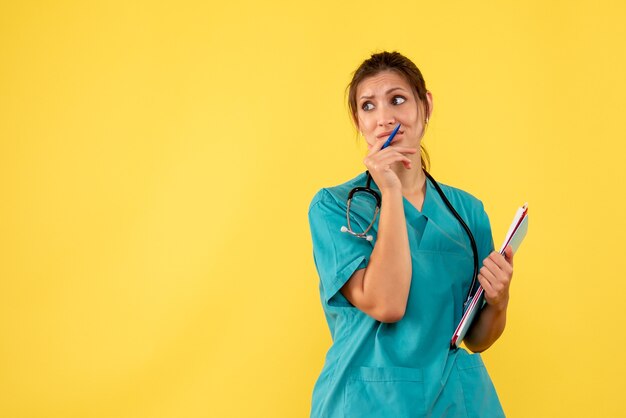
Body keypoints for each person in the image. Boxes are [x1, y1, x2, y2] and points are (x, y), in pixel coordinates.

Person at [307, 51, 514, 417]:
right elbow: (387, 305)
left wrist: (499, 301)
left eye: (397, 100)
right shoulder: (334, 207)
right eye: (368, 106)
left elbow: (477, 338)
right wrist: (389, 191)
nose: (384, 119)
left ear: (426, 106)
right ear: (359, 121)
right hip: (368, 403)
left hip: (457, 402)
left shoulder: (467, 213)